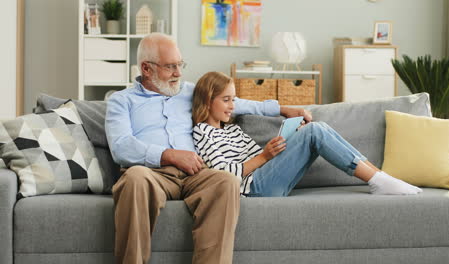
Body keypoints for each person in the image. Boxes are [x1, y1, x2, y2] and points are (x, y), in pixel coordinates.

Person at [105, 33, 308, 264]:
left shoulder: (189, 91)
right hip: (151, 173)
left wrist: (282, 109)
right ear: (147, 68)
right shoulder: (122, 101)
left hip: (196, 172)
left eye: (180, 65)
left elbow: (233, 101)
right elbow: (121, 146)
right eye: (171, 67)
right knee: (135, 177)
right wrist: (169, 155)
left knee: (226, 181)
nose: (178, 73)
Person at [192, 71, 423, 198]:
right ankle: (379, 181)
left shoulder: (233, 129)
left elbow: (264, 159)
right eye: (226, 100)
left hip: (267, 179)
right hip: (254, 189)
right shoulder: (201, 132)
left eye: (234, 99)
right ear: (207, 100)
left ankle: (379, 178)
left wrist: (290, 143)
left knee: (312, 132)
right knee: (315, 130)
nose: (233, 106)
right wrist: (264, 156)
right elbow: (223, 174)